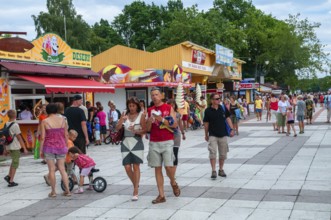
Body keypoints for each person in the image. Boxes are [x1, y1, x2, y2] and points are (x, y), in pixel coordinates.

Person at [146, 87, 180, 204]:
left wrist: (161, 120)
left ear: (161, 95)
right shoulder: (149, 109)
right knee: (157, 168)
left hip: (167, 141)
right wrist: (149, 122)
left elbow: (174, 125)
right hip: (154, 141)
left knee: (169, 167)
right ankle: (161, 195)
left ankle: (173, 182)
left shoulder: (168, 108)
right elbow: (148, 129)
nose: (154, 97)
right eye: (152, 95)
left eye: (156, 94)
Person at [116, 97, 146, 201]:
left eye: (133, 105)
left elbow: (145, 130)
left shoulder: (141, 115)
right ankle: (136, 185)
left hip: (137, 141)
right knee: (127, 167)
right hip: (125, 142)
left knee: (136, 166)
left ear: (137, 106)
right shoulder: (124, 113)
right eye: (130, 106)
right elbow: (117, 128)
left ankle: (135, 190)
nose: (131, 108)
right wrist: (121, 119)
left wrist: (137, 131)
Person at [39, 103, 71, 197]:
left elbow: (42, 137)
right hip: (61, 146)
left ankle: (53, 192)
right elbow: (66, 134)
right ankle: (68, 190)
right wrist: (65, 145)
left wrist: (41, 150)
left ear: (47, 111)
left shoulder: (45, 121)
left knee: (52, 170)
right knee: (62, 169)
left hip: (49, 148)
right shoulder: (63, 120)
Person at [204, 93, 235, 180]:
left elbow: (228, 118)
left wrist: (232, 129)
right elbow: (206, 123)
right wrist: (206, 134)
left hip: (223, 134)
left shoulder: (223, 108)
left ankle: (221, 169)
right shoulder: (207, 111)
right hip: (212, 134)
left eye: (219, 98)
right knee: (212, 153)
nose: (219, 100)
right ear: (212, 100)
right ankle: (213, 170)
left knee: (223, 154)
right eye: (217, 99)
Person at [3, 109, 28, 187]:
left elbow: (4, 138)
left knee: (13, 161)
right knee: (15, 163)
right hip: (15, 146)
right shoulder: (15, 125)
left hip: (9, 146)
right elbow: (19, 137)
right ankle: (11, 181)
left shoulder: (6, 124)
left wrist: (5, 149)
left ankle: (8, 176)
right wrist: (24, 148)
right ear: (15, 115)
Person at [167, 99, 186, 176]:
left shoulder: (178, 114)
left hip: (176, 135)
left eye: (173, 105)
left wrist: (183, 133)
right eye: (170, 105)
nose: (171, 106)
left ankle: (173, 173)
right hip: (167, 135)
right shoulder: (166, 115)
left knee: (175, 153)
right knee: (168, 154)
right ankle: (170, 170)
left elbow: (180, 124)